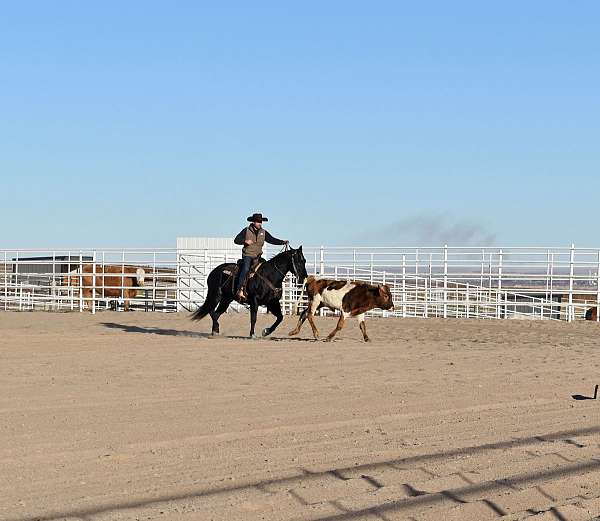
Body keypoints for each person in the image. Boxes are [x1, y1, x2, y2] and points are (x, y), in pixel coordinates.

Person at [234, 213, 288, 300]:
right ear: (253, 222)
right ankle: (239, 289)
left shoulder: (263, 232)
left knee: (266, 269)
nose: (260, 223)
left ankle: (263, 291)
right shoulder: (246, 230)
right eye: (258, 222)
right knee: (246, 269)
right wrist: (245, 241)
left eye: (261, 222)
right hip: (248, 255)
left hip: (258, 257)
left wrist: (282, 242)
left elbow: (271, 239)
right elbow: (236, 240)